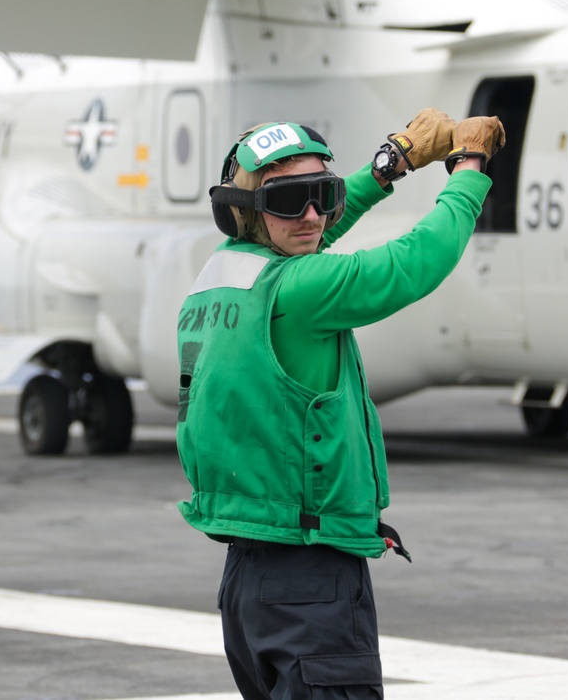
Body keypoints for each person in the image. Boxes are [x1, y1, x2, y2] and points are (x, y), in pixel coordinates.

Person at [175, 109, 505, 699]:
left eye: (321, 195)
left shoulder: (222, 277)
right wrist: (469, 169)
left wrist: (393, 161)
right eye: (288, 200)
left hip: (249, 579)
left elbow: (305, 228)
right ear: (249, 208)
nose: (311, 216)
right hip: (309, 579)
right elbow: (415, 262)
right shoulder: (301, 289)